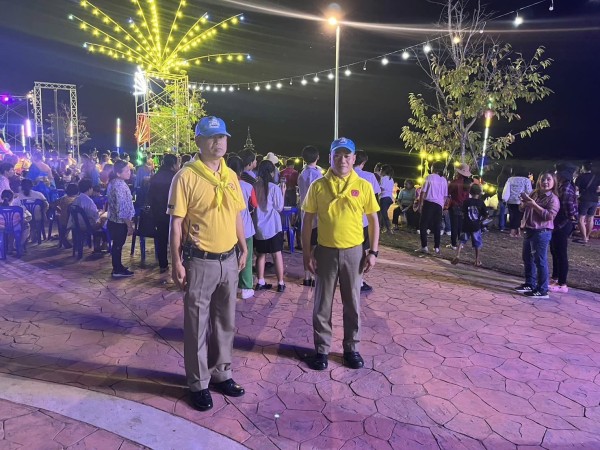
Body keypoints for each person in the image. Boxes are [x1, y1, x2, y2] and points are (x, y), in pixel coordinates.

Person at [168, 116, 248, 412]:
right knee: (197, 324)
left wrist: (243, 247)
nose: (218, 142)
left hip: (229, 259)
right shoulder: (186, 177)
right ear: (199, 141)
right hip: (200, 261)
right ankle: (198, 383)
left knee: (225, 322)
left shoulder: (230, 176)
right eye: (212, 137)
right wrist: (176, 262)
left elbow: (236, 214)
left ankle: (221, 373)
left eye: (222, 137)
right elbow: (176, 224)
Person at [302, 137, 380, 371]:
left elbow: (373, 220)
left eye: (347, 156)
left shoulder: (363, 186)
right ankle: (321, 349)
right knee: (322, 304)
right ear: (330, 158)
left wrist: (373, 251)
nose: (342, 160)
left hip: (354, 252)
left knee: (352, 303)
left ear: (354, 159)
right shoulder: (318, 185)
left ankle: (351, 348)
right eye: (337, 155)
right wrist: (306, 253)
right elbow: (307, 221)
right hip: (325, 251)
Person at [514, 172, 560, 299]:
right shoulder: (534, 193)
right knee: (527, 258)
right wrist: (524, 203)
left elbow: (549, 216)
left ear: (554, 182)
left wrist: (534, 205)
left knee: (540, 260)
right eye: (542, 179)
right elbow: (522, 209)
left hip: (541, 232)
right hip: (529, 230)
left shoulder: (553, 199)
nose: (545, 182)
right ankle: (530, 283)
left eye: (548, 179)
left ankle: (542, 289)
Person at [252, 160, 286, 292]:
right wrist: (283, 192)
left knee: (260, 255)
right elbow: (279, 207)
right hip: (273, 227)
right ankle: (281, 283)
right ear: (272, 172)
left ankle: (260, 281)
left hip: (259, 227)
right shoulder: (274, 187)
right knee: (276, 255)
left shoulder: (255, 186)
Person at [227, 155, 257, 299]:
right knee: (246, 257)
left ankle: (229, 286)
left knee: (229, 258)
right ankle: (245, 287)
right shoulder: (248, 186)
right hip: (245, 228)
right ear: (240, 170)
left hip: (227, 229)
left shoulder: (223, 185)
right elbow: (254, 205)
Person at [353, 150, 381, 293]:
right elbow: (375, 200)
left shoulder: (343, 174)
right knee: (361, 251)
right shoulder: (369, 176)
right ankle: (359, 281)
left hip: (346, 221)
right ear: (363, 162)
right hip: (363, 220)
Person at [148, 154, 179, 274]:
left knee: (161, 239)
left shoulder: (156, 176)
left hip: (158, 213)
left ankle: (163, 264)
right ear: (173, 164)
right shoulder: (175, 177)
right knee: (176, 238)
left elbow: (150, 196)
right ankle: (178, 264)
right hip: (173, 213)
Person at [550, 165, 578, 293]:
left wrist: (571, 218)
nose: (555, 175)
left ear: (562, 175)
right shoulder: (563, 186)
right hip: (559, 224)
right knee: (555, 251)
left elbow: (568, 208)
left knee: (560, 253)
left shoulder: (566, 188)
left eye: (557, 173)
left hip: (562, 224)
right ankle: (555, 278)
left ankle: (562, 283)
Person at [297, 145, 322, 286]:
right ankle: (313, 275)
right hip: (316, 216)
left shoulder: (302, 174)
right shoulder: (318, 175)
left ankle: (306, 275)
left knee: (307, 245)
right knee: (315, 247)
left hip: (304, 213)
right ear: (317, 157)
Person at [106, 160, 135, 277]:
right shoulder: (119, 186)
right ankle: (117, 269)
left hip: (113, 220)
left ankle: (118, 266)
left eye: (129, 170)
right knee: (118, 245)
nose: (129, 173)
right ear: (118, 173)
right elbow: (122, 209)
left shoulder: (114, 182)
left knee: (117, 246)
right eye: (126, 171)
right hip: (119, 222)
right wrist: (129, 225)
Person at [451, 183, 488, 266]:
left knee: (462, 241)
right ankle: (477, 260)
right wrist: (480, 221)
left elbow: (463, 212)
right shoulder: (481, 203)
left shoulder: (466, 201)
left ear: (470, 192)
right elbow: (486, 215)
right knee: (477, 243)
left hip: (466, 224)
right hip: (476, 225)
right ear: (479, 193)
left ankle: (457, 255)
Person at [416, 161, 448, 254]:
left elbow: (423, 192)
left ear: (433, 167)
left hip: (429, 203)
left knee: (423, 224)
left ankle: (424, 246)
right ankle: (437, 247)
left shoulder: (429, 177)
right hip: (439, 205)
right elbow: (445, 196)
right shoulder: (444, 180)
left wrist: (420, 205)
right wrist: (442, 206)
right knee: (437, 225)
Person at [68, 178, 107, 252]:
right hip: (87, 225)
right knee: (104, 221)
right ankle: (102, 244)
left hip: (77, 225)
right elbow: (95, 215)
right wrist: (101, 213)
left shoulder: (77, 199)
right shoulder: (89, 201)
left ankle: (98, 245)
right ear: (89, 189)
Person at [448, 163, 473, 250]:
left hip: (454, 205)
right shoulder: (468, 183)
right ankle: (461, 243)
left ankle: (453, 244)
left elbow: (448, 192)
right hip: (463, 206)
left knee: (454, 226)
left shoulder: (455, 182)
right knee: (460, 226)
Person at [502, 168, 533, 238]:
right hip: (521, 201)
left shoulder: (510, 179)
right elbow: (529, 191)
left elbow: (506, 189)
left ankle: (515, 231)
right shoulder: (526, 180)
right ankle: (514, 232)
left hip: (510, 201)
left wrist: (505, 198)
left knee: (512, 216)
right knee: (519, 217)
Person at [574, 161, 599, 244]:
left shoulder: (580, 177)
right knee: (590, 219)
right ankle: (587, 237)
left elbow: (576, 189)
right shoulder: (596, 177)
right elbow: (599, 189)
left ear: (583, 168)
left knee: (581, 219)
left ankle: (584, 238)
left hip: (584, 200)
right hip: (595, 200)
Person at [53, 183, 79, 248]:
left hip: (64, 220)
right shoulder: (78, 199)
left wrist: (59, 210)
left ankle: (63, 237)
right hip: (75, 221)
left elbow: (53, 204)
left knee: (61, 221)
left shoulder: (63, 198)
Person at [378, 164, 395, 234]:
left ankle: (388, 227)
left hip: (384, 198)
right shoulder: (391, 179)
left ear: (384, 171)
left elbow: (381, 188)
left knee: (383, 213)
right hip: (389, 198)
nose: (380, 171)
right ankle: (383, 227)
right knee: (382, 213)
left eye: (381, 169)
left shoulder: (384, 178)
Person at [496, 165, 513, 231]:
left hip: (500, 194)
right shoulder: (509, 178)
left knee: (502, 210)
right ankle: (504, 225)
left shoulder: (499, 176)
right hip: (506, 194)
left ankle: (501, 225)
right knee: (506, 210)